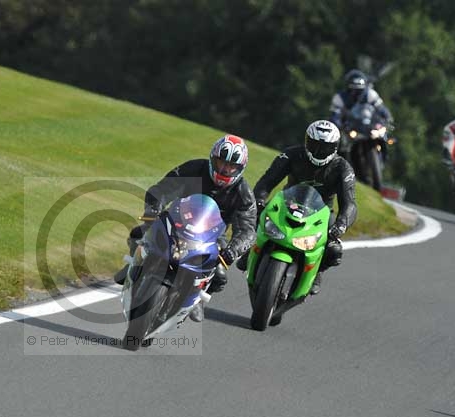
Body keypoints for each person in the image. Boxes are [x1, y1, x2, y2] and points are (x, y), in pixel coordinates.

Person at [114, 134, 258, 322]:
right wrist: (154, 209)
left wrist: (233, 250)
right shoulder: (194, 168)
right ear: (212, 158)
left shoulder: (243, 193)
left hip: (212, 237)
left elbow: (248, 229)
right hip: (175, 221)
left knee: (220, 275)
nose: (224, 169)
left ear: (240, 169)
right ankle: (135, 262)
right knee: (139, 233)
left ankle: (198, 299)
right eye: (221, 162)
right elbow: (162, 189)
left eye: (231, 166)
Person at [241, 120, 357, 295]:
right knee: (258, 215)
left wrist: (342, 223)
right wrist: (259, 200)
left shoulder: (343, 168)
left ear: (334, 148)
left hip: (321, 213)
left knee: (334, 250)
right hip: (287, 203)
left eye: (324, 148)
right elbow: (266, 181)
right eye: (314, 145)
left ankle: (317, 272)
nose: (318, 151)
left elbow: (350, 203)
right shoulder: (291, 154)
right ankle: (250, 249)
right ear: (306, 141)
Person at [329, 69, 393, 131]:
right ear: (348, 88)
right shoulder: (340, 98)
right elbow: (335, 116)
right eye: (353, 90)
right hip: (350, 128)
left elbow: (381, 109)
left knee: (384, 137)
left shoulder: (370, 94)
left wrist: (387, 119)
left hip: (371, 126)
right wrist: (338, 125)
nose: (356, 93)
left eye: (359, 91)